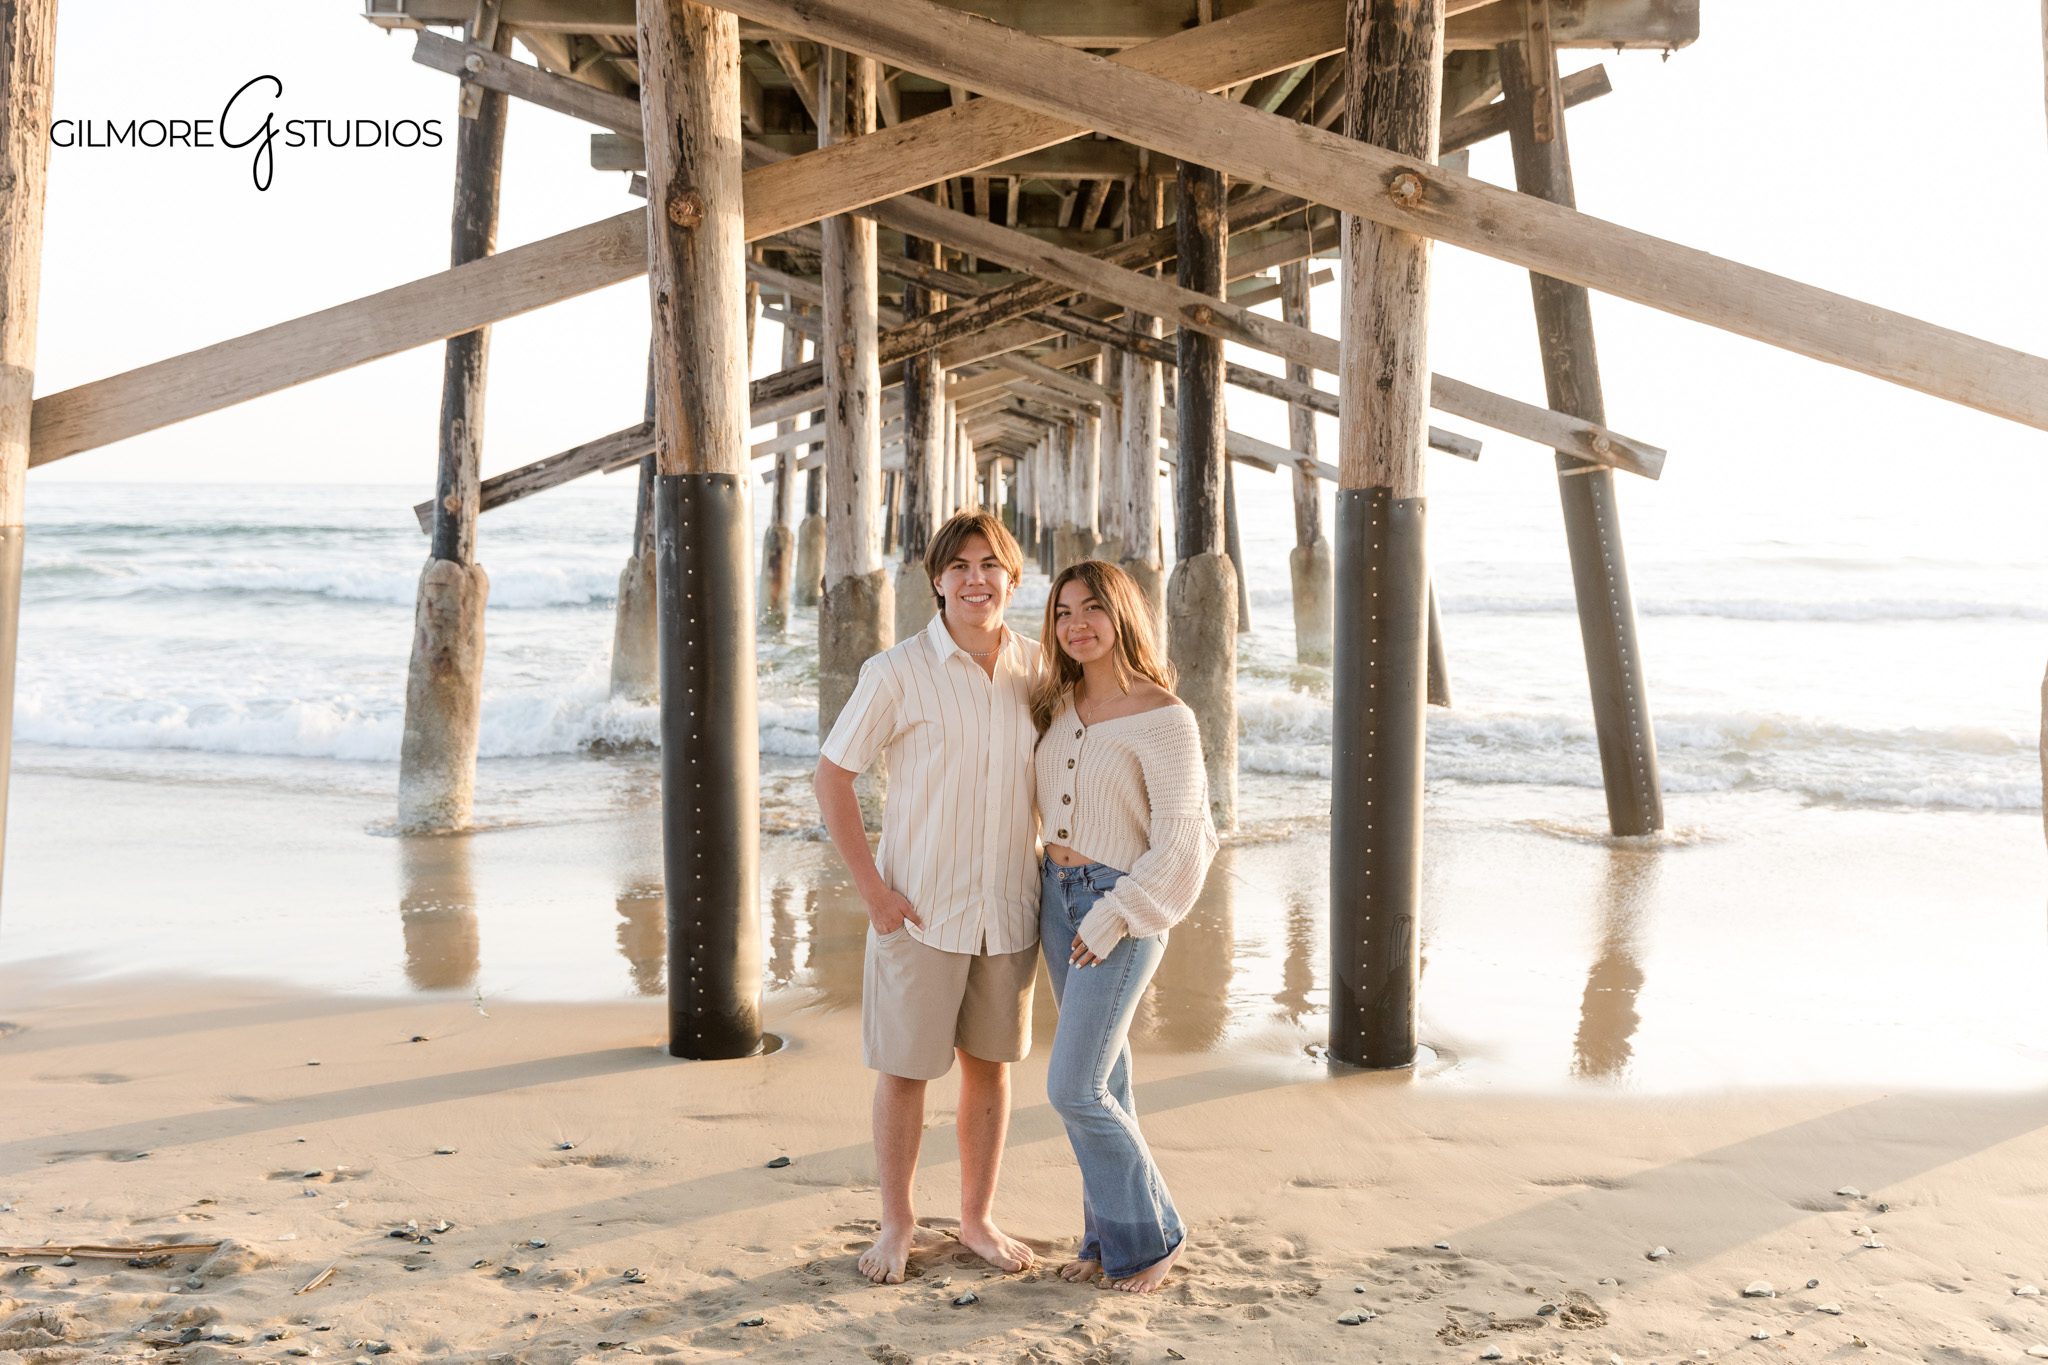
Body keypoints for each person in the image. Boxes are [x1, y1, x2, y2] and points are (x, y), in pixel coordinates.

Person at [813, 508, 1042, 1285]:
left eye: (991, 565)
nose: (977, 580)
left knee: (991, 1068)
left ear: (1014, 578)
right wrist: (872, 890)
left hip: (1010, 909)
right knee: (906, 1071)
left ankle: (976, 1218)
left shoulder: (1041, 669)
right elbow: (832, 776)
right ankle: (897, 1222)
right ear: (937, 580)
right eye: (961, 566)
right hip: (919, 909)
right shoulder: (896, 671)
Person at [1030, 559, 1218, 1294]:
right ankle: (1106, 1238)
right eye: (1063, 611)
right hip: (1055, 899)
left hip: (1119, 904)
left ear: (1122, 614)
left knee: (1074, 1087)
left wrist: (1120, 912)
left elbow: (1187, 839)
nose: (1076, 624)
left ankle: (1153, 1235)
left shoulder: (1166, 717)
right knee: (1106, 1080)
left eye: (1092, 608)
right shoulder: (1057, 703)